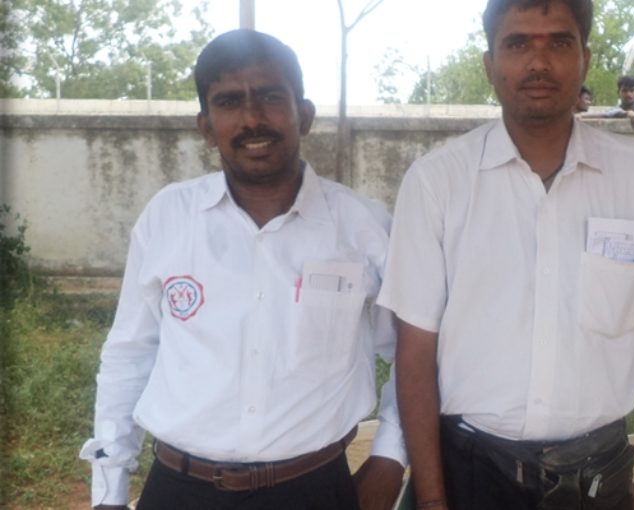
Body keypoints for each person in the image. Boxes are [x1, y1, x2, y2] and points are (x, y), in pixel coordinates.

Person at [378, 1, 634, 509]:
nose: (539, 63)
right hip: (469, 472)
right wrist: (432, 501)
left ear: (584, 59)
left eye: (558, 43)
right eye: (517, 43)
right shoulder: (438, 182)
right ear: (489, 65)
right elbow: (414, 350)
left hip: (598, 481)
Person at [79, 29, 405, 510]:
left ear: (305, 115)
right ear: (206, 126)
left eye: (271, 97)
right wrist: (109, 491)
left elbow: (412, 353)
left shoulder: (362, 227)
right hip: (178, 489)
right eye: (230, 101)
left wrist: (390, 460)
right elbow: (129, 353)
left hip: (315, 490)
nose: (252, 118)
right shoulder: (169, 217)